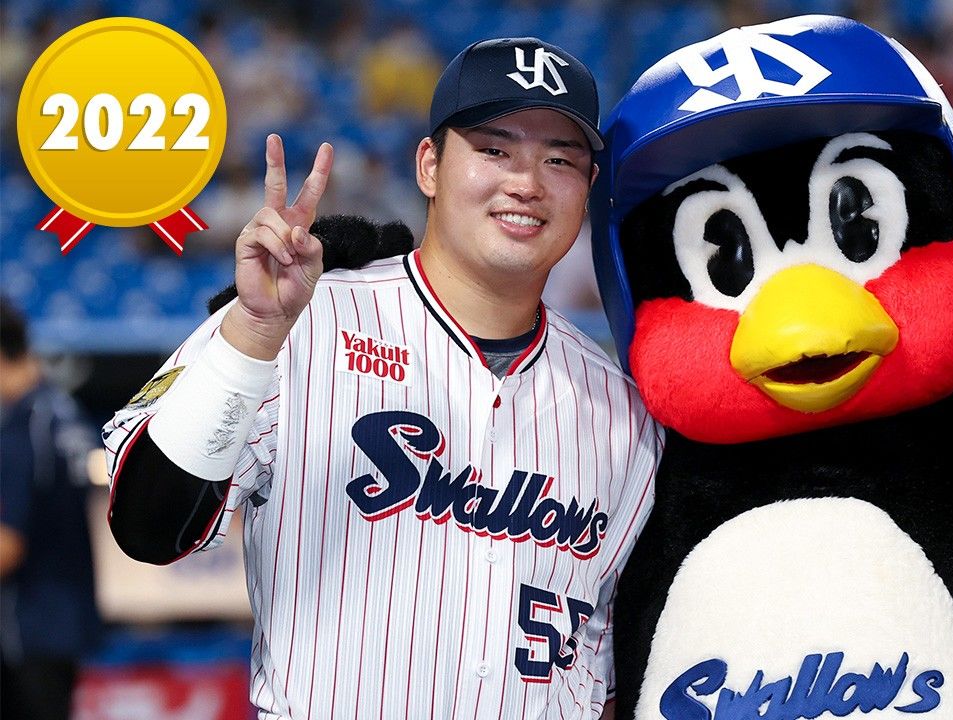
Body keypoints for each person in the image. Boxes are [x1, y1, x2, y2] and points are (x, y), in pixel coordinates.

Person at [102, 37, 662, 719]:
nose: (526, 182)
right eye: (494, 150)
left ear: (589, 187)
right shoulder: (297, 319)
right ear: (429, 165)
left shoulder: (622, 409)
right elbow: (148, 527)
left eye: (559, 160)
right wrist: (251, 333)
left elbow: (602, 669)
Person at [1, 298, 102, 720]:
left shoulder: (23, 427)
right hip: (67, 614)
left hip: (27, 626)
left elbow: (8, 546)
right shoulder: (67, 412)